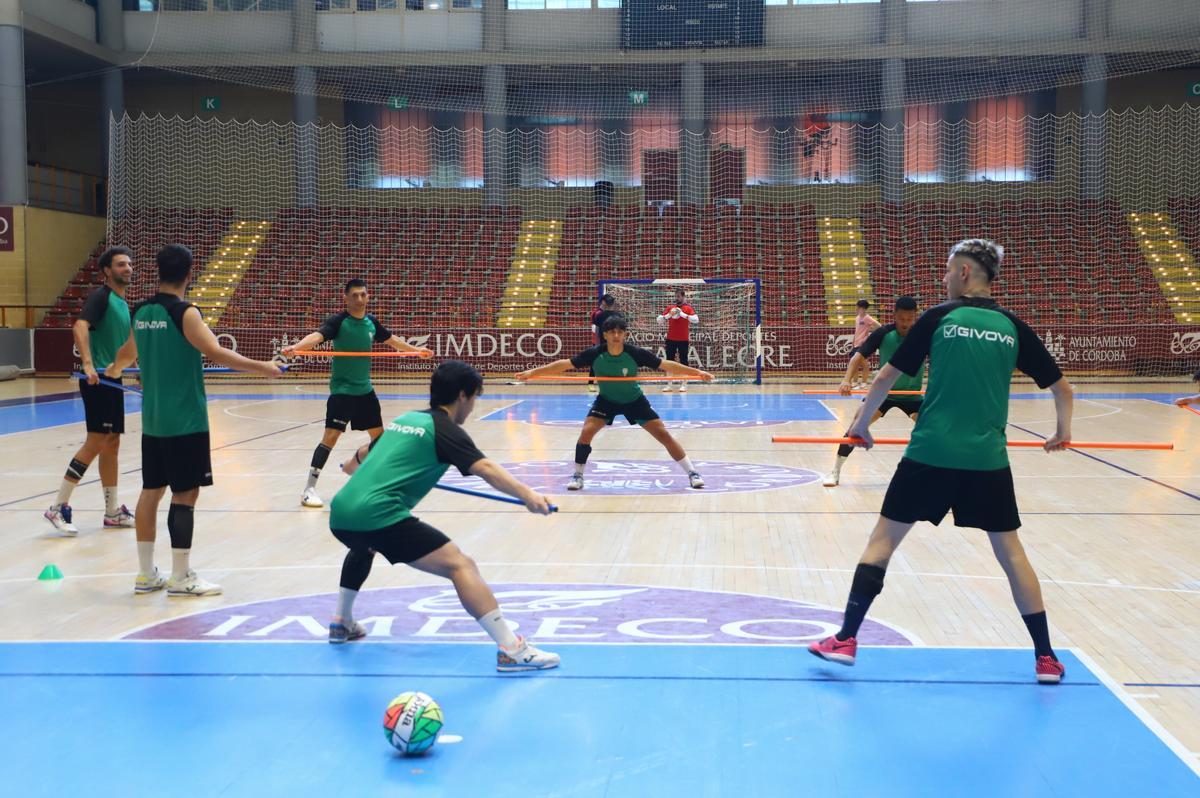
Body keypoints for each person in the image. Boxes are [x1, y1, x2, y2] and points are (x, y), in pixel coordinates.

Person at [808, 239, 1074, 684]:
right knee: (1011, 554)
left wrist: (861, 423)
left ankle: (847, 640)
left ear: (966, 274)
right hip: (987, 460)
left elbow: (887, 376)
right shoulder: (1013, 327)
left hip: (929, 454)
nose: (944, 278)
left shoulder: (938, 318)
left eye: (949, 271)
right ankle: (1045, 657)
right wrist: (1062, 432)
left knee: (882, 542)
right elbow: (1062, 390)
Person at [330, 360, 560, 672]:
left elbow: (364, 456)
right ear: (463, 396)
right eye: (475, 398)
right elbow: (486, 468)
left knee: (364, 544)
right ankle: (512, 649)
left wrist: (350, 465)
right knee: (460, 565)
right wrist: (529, 496)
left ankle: (341, 622)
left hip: (342, 512)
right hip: (378, 514)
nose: (473, 406)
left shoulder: (406, 419)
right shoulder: (445, 429)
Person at [106, 244, 283, 596]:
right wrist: (265, 368)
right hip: (185, 421)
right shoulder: (186, 313)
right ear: (190, 274)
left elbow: (126, 354)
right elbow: (216, 352)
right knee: (185, 494)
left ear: (158, 270)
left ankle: (145, 575)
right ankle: (181, 576)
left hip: (154, 421)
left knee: (150, 492)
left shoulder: (141, 311)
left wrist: (112, 370)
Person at [517, 314, 714, 491]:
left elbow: (666, 365)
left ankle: (692, 473)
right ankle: (578, 475)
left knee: (664, 435)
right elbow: (564, 365)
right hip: (606, 401)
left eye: (620, 332)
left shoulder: (635, 353)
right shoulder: (595, 353)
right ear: (605, 335)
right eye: (612, 332)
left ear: (626, 335)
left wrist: (698, 373)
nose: (616, 336)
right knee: (586, 433)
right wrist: (531, 373)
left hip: (634, 400)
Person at [282, 278, 433, 508]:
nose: (360, 299)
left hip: (366, 391)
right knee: (330, 438)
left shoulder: (372, 322)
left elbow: (392, 340)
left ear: (368, 296)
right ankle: (309, 489)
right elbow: (317, 336)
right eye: (355, 295)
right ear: (346, 298)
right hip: (342, 391)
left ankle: (363, 472)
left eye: (363, 295)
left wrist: (416, 351)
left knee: (380, 441)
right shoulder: (338, 321)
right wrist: (297, 348)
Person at [44, 247, 136, 535]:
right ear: (107, 271)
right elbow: (80, 325)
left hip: (114, 380)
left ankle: (111, 511)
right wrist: (87, 363)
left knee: (112, 444)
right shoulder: (102, 297)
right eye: (121, 264)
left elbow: (125, 345)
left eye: (130, 264)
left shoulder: (123, 303)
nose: (128, 268)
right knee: (96, 442)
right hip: (98, 380)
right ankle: (57, 507)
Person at [823, 296, 924, 487]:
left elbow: (940, 362)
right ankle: (834, 472)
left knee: (933, 432)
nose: (905, 323)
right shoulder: (883, 333)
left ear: (915, 317)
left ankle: (935, 477)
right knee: (855, 428)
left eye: (910, 319)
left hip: (912, 396)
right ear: (894, 315)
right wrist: (846, 380)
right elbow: (857, 357)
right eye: (902, 318)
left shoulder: (922, 336)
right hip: (882, 395)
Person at [657, 287, 699, 393]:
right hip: (671, 339)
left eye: (679, 296)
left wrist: (682, 314)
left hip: (683, 340)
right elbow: (659, 320)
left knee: (684, 361)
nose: (677, 298)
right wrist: (668, 315)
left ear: (683, 296)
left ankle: (684, 385)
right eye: (676, 296)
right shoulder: (670, 307)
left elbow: (696, 320)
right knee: (669, 361)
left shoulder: (688, 308)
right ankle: (669, 384)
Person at [588, 294, 620, 393]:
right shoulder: (597, 313)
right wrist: (596, 342)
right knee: (595, 362)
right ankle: (590, 383)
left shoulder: (614, 314)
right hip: (598, 341)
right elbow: (595, 329)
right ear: (603, 302)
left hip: (611, 343)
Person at [851, 299, 880, 387]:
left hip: (863, 344)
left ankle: (864, 382)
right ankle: (855, 381)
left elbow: (879, 325)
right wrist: (853, 341)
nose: (856, 308)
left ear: (862, 308)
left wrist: (868, 335)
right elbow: (857, 331)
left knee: (864, 363)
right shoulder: (857, 318)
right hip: (856, 343)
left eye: (858, 307)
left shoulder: (867, 318)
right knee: (854, 363)